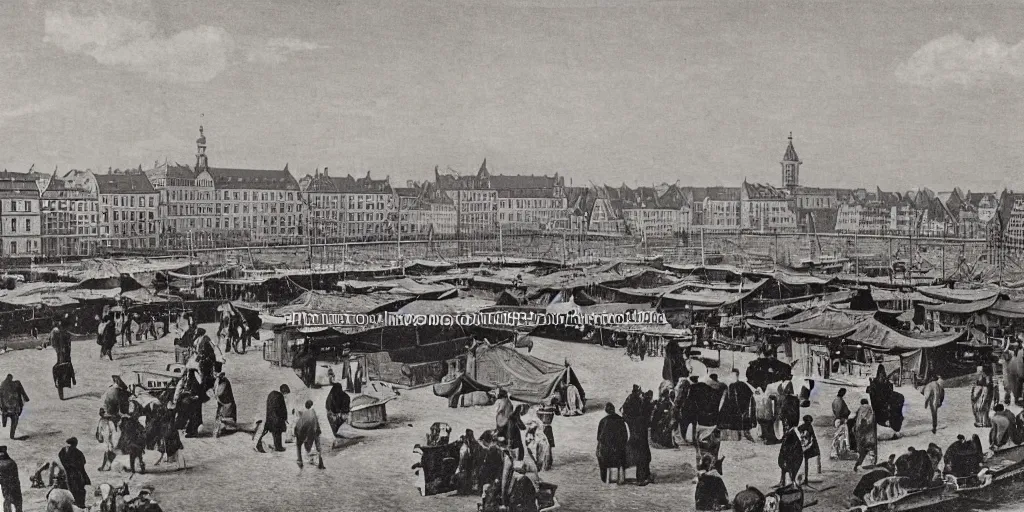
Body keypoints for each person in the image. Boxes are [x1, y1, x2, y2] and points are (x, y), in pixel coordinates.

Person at [718, 369, 756, 442]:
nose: (732, 377)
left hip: (741, 411)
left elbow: (750, 396)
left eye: (734, 375)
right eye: (731, 375)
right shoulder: (731, 386)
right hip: (734, 412)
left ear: (737, 375)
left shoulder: (743, 385)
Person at [625, 390, 653, 486]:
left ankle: (644, 476)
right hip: (640, 439)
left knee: (642, 457)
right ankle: (642, 478)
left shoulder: (629, 417)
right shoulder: (640, 418)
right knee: (643, 457)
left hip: (636, 438)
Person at [596, 402, 628, 484]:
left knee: (600, 455)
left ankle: (604, 478)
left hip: (606, 453)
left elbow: (599, 437)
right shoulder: (620, 420)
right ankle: (622, 476)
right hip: (619, 452)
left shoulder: (603, 421)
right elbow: (625, 436)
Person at [256, 384, 290, 453]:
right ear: (284, 391)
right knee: (278, 433)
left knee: (266, 431)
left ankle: (258, 444)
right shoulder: (280, 397)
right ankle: (278, 447)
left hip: (270, 417)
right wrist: (285, 418)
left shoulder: (271, 395)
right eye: (286, 393)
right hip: (277, 419)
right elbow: (282, 409)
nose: (286, 395)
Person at [57, 437, 89, 508]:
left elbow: (59, 456)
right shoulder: (78, 452)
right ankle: (80, 504)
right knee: (80, 490)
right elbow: (83, 462)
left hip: (65, 473)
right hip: (75, 475)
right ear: (75, 444)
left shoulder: (64, 450)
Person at [293, 400, 324, 469]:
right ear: (312, 405)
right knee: (317, 444)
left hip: (300, 430)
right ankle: (320, 462)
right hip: (310, 430)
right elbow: (316, 426)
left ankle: (300, 460)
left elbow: (298, 423)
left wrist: (295, 433)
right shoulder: (313, 413)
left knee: (298, 445)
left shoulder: (304, 413)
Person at [51, 321, 76, 400]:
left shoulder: (61, 334)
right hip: (63, 356)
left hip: (63, 356)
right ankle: (61, 395)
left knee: (59, 373)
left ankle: (61, 395)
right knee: (61, 372)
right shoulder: (63, 334)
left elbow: (55, 344)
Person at [0, 375, 28, 440]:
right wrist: (26, 398)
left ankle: (4, 424)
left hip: (6, 409)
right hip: (14, 408)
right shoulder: (16, 384)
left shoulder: (2, 386)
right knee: (14, 419)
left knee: (6, 415)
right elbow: (22, 393)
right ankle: (11, 435)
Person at [853, 398, 877, 472]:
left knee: (862, 451)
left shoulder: (859, 409)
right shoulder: (870, 409)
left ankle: (858, 465)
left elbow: (856, 421)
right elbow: (871, 421)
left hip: (860, 434)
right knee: (871, 449)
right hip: (869, 434)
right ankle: (872, 464)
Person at [798, 415, 820, 482]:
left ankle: (805, 477)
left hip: (808, 446)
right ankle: (805, 477)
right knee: (806, 460)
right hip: (808, 445)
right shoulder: (807, 427)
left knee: (805, 460)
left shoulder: (804, 427)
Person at [213, 373, 236, 438]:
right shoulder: (219, 381)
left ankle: (221, 429)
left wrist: (214, 393)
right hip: (222, 403)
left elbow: (219, 393)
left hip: (227, 404)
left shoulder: (224, 382)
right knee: (219, 417)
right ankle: (220, 429)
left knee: (224, 418)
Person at [0, 446, 21, 512]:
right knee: (17, 504)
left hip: (6, 488)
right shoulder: (12, 462)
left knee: (7, 503)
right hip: (15, 487)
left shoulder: (1, 464)